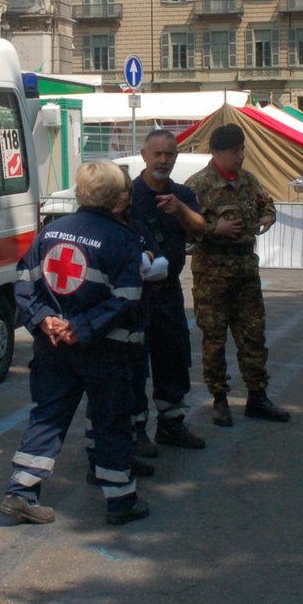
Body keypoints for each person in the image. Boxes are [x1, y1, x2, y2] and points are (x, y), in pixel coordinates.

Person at [0, 160, 150, 527]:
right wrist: (81, 327)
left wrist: (41, 319)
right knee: (110, 422)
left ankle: (20, 494)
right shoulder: (121, 239)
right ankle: (120, 500)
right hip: (104, 350)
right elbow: (128, 297)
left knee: (47, 416)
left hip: (52, 348)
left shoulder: (51, 231)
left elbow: (23, 280)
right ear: (117, 197)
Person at [185, 123, 291, 427]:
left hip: (245, 273)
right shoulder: (199, 185)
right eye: (235, 151)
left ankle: (258, 396)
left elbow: (265, 201)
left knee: (253, 336)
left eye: (242, 149)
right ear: (218, 152)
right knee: (215, 340)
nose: (241, 156)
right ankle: (219, 399)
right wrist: (212, 229)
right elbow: (186, 227)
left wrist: (269, 215)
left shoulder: (247, 181)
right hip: (213, 275)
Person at [128, 129, 208, 453]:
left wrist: (180, 211)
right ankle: (134, 430)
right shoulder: (128, 194)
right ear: (144, 154)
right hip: (134, 295)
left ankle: (171, 423)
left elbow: (202, 229)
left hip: (169, 291)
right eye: (157, 153)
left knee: (173, 356)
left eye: (170, 154)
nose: (163, 160)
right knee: (133, 361)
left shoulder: (183, 195)